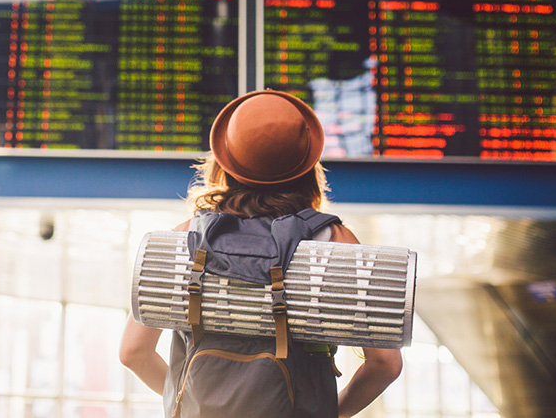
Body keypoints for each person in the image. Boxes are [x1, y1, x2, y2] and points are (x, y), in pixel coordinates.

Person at [120, 89, 402, 417]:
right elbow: (385, 363)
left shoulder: (184, 238)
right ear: (307, 166)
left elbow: (132, 353)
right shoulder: (334, 239)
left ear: (226, 161)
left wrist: (186, 399)